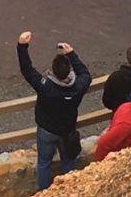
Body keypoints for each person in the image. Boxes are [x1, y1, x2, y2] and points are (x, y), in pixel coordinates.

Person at [16, 31, 92, 190]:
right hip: (67, 131)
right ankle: (66, 190)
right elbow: (85, 73)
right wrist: (71, 54)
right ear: (69, 71)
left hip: (47, 129)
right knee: (68, 161)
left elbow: (27, 70)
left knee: (44, 162)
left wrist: (22, 46)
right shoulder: (79, 86)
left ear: (53, 71)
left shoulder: (46, 87)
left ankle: (44, 191)